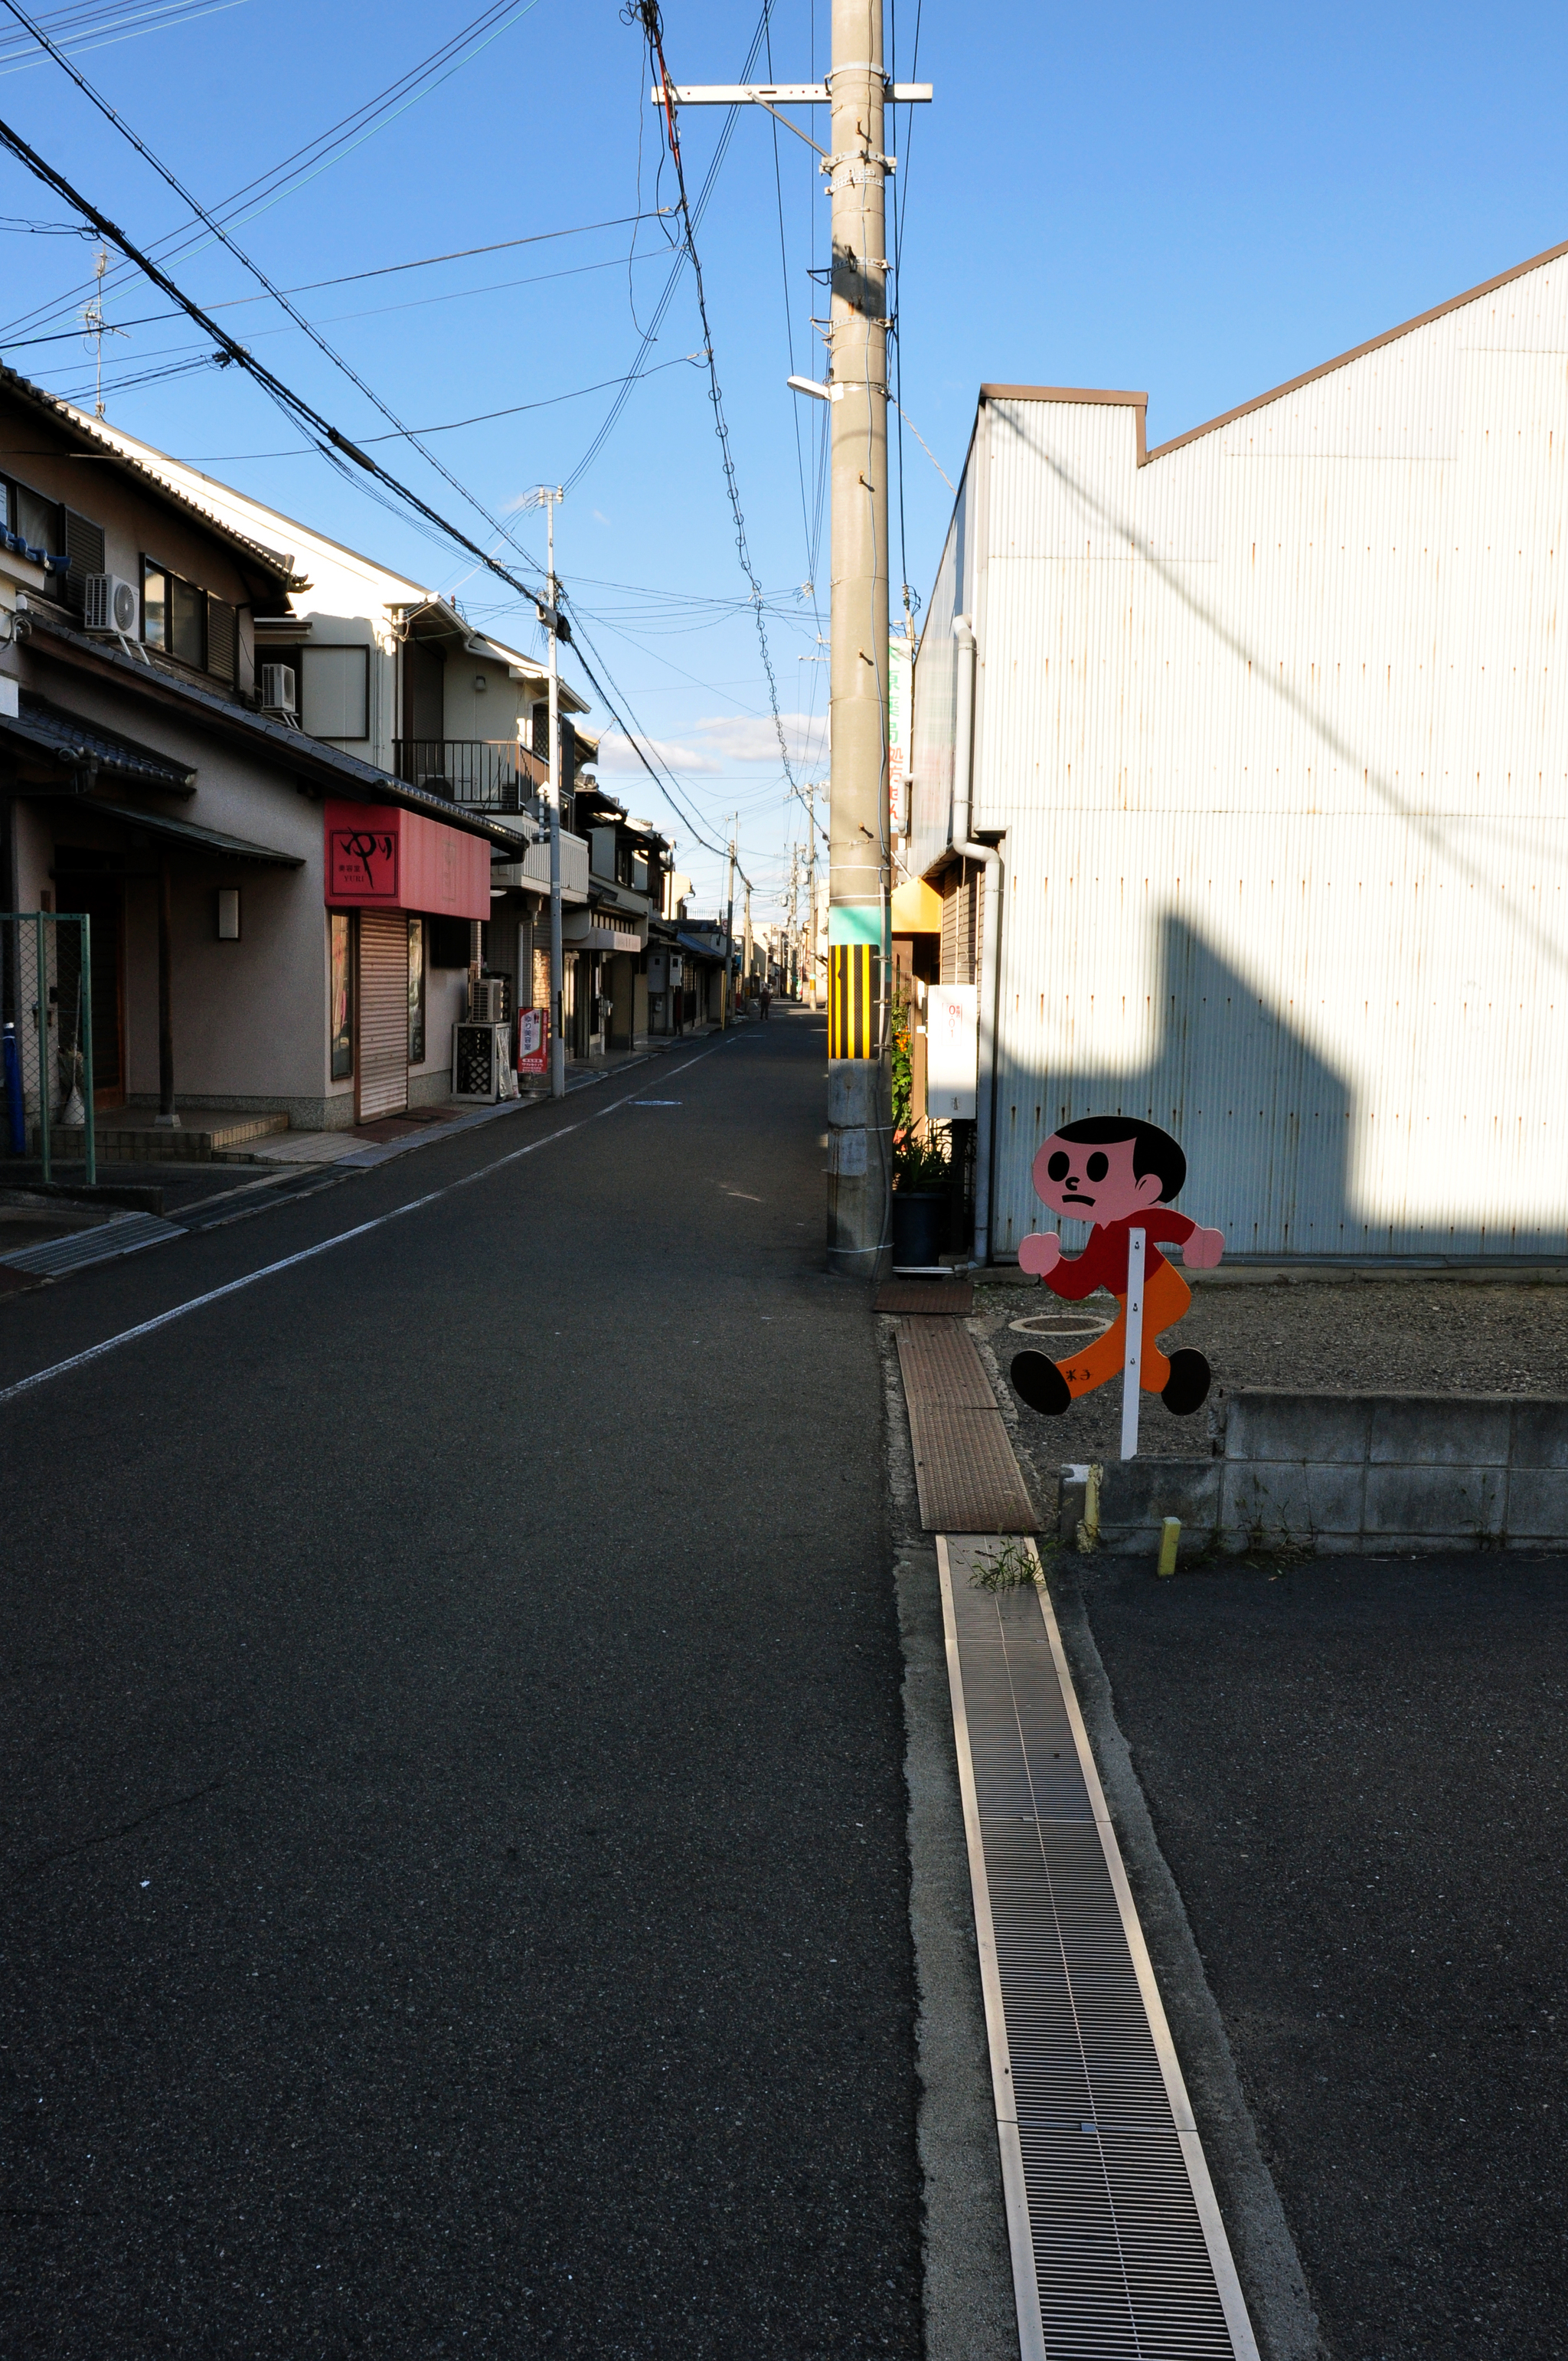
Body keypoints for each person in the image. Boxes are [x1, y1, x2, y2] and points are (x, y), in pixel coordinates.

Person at [1009, 1115, 1224, 1418]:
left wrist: (1197, 1241)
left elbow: (1169, 1225)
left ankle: (1066, 1383)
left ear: (1147, 1186)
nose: (1073, 1180)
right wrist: (1050, 1264)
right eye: (1060, 1166)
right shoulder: (1102, 1236)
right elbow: (1079, 1283)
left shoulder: (1136, 1219)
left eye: (1097, 1168)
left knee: (1120, 1341)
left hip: (1165, 1296)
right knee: (1133, 1346)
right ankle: (1173, 1379)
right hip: (1137, 1301)